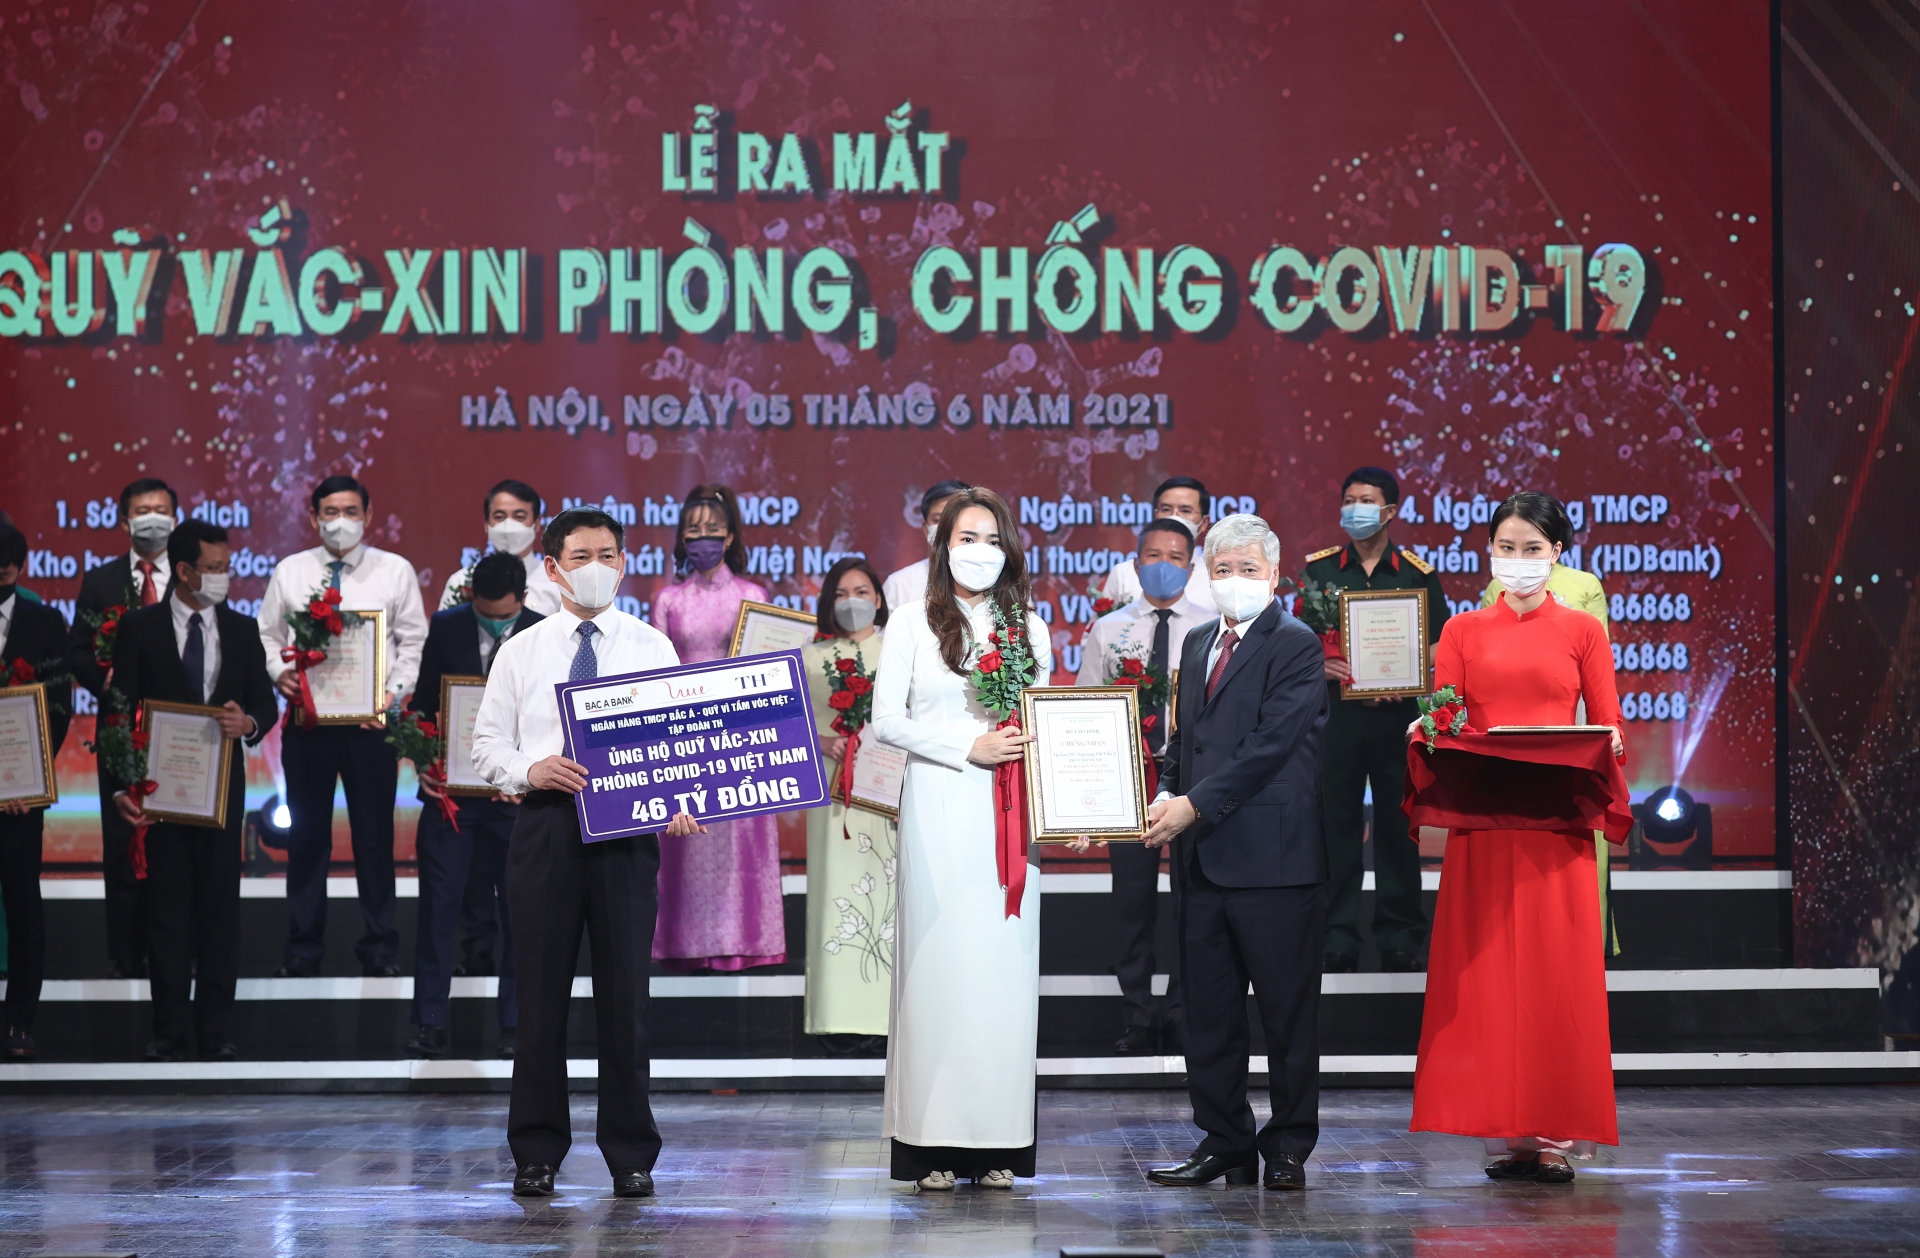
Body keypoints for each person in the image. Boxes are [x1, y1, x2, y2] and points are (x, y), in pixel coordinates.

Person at [470, 506, 703, 1199]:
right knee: (540, 998)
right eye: (580, 557)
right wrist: (531, 768)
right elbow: (486, 746)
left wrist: (681, 797)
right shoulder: (522, 650)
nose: (595, 568)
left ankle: (631, 1154)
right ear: (551, 568)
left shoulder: (652, 646)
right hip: (546, 826)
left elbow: (677, 742)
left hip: (627, 833)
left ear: (623, 563)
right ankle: (536, 1151)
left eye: (607, 555)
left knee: (626, 1000)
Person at [1410, 492, 1625, 1185]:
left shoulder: (1582, 630)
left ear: (1557, 554)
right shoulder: (1462, 630)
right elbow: (1447, 716)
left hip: (1556, 830)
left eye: (1533, 548)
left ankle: (1556, 1133)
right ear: (1489, 552)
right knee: (1488, 981)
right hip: (1486, 827)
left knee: (1556, 979)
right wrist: (1428, 730)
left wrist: (1611, 743)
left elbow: (1610, 724)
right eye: (1507, 547)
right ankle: (1509, 1131)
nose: (1519, 559)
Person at [870, 486, 1052, 1191]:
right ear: (943, 546)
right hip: (940, 805)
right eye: (966, 538)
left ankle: (998, 1141)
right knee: (940, 968)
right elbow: (887, 721)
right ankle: (930, 1145)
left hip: (1011, 813)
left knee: (1005, 972)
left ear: (1010, 550)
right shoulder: (911, 622)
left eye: (991, 539)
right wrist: (965, 747)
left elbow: (1043, 721)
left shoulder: (1029, 627)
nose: (979, 551)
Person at [1142, 513, 1327, 1192]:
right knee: (1209, 1015)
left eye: (1248, 569)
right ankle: (1225, 1142)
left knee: (1286, 1016)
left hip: (1276, 863)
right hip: (1202, 860)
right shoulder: (1197, 642)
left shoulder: (1296, 644)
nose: (1234, 580)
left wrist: (1191, 805)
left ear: (1274, 576)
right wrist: (1162, 792)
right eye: (1222, 569)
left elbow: (1268, 749)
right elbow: (1184, 741)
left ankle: (1287, 1147)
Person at [109, 520, 278, 1062]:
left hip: (221, 793)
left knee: (219, 912)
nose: (223, 577)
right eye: (213, 568)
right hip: (160, 794)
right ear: (183, 571)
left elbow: (265, 703)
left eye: (226, 567)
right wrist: (120, 785)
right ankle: (168, 1031)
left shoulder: (242, 629)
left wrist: (247, 723)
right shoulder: (139, 627)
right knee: (166, 913)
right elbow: (117, 712)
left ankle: (216, 1030)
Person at [257, 475, 429, 978]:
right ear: (313, 517)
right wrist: (278, 672)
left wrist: (392, 694)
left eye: (351, 511)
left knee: (374, 838)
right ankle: (303, 948)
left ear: (368, 516)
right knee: (307, 838)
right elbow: (266, 634)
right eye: (330, 512)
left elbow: (413, 642)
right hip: (308, 724)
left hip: (371, 729)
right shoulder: (291, 571)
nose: (341, 521)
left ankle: (379, 948)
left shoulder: (394, 571)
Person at [1305, 467, 1451, 975]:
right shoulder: (1320, 571)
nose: (1355, 509)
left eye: (1366, 500)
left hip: (1397, 721)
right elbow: (1297, 639)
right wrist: (1319, 661)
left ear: (1390, 510)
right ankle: (1337, 938)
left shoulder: (1416, 573)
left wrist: (1407, 671)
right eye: (1349, 499)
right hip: (1337, 719)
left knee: (1398, 828)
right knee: (1335, 828)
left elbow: (1443, 643)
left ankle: (1399, 937)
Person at [1074, 518, 1210, 1054]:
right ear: (1135, 564)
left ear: (1191, 568)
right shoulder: (1109, 629)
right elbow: (1084, 705)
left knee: (1190, 900)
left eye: (1175, 557)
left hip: (1191, 780)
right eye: (1153, 555)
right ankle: (1137, 1016)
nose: (1163, 565)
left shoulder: (1211, 628)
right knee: (1132, 902)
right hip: (1126, 778)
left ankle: (1180, 1012)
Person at [404, 551, 541, 1060]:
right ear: (470, 598)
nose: (493, 626)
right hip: (452, 800)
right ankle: (429, 1023)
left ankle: (517, 1027)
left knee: (522, 916)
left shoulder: (544, 633)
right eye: (483, 615)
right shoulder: (446, 627)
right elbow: (423, 705)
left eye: (503, 618)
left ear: (523, 600)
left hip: (518, 804)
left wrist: (527, 775)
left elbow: (556, 721)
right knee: (438, 909)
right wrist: (424, 760)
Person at [649, 484, 785, 972]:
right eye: (693, 530)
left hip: (740, 736)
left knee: (739, 842)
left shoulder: (753, 595)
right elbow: (657, 672)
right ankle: (681, 942)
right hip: (683, 735)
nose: (702, 538)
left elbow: (768, 668)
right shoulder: (668, 600)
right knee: (685, 841)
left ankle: (744, 938)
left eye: (712, 529)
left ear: (729, 537)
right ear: (682, 539)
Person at [68, 476, 177, 980]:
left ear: (175, 518)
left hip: (179, 727)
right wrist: (104, 680)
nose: (152, 518)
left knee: (175, 839)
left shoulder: (190, 576)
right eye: (142, 510)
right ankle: (125, 956)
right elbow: (77, 651)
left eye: (161, 510)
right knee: (121, 836)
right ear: (123, 520)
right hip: (118, 725)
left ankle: (175, 950)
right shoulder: (101, 581)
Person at [800, 557, 895, 1054]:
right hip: (831, 790)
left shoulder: (900, 650)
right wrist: (822, 742)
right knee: (834, 890)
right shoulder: (809, 656)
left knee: (889, 888)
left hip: (890, 788)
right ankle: (837, 1017)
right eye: (840, 594)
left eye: (861, 591)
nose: (852, 601)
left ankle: (888, 1015)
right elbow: (785, 722)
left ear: (878, 598)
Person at [0, 522, 71, 1063]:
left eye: (9, 562)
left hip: (21, 797)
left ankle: (20, 1019)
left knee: (23, 901)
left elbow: (60, 707)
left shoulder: (45, 622)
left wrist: (28, 777)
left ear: (20, 567)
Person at [438, 479, 562, 617]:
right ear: (486, 524)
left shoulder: (558, 584)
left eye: (519, 517)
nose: (509, 526)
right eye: (499, 517)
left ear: (537, 523)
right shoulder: (461, 582)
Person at [1097, 476, 1218, 614]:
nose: (1174, 517)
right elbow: (1101, 626)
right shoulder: (1124, 575)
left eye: (1185, 511)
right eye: (1166, 509)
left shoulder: (1218, 579)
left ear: (1204, 523)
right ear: (1156, 515)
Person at [881, 479, 970, 612]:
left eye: (956, 518)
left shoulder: (995, 579)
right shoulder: (899, 585)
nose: (947, 526)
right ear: (925, 528)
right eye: (938, 520)